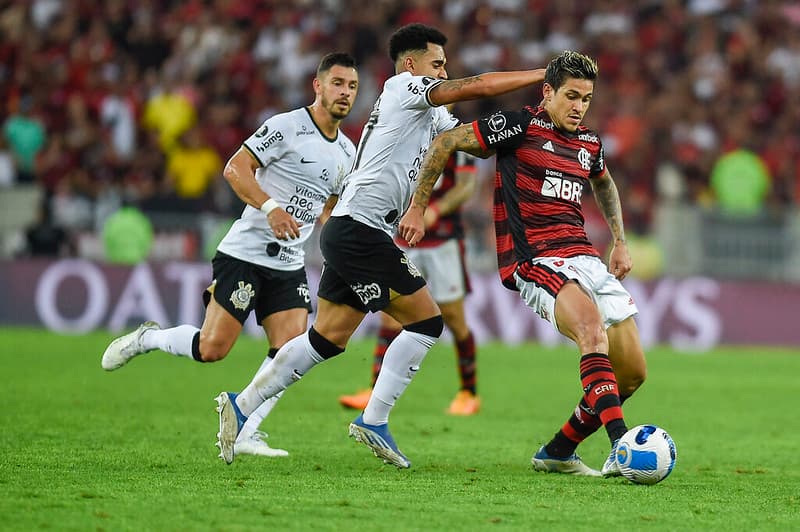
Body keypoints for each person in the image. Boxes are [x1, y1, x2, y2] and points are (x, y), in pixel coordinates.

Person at [214, 23, 546, 468]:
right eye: (438, 63)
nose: (445, 71)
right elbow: (478, 86)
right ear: (412, 65)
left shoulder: (430, 115)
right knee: (428, 321)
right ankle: (375, 420)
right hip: (359, 230)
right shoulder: (404, 88)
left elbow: (468, 142)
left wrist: (533, 119)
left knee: (326, 340)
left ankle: (239, 407)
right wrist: (544, 74)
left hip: (355, 231)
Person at [100, 52, 360, 458]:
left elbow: (327, 205)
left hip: (289, 262)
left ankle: (246, 429)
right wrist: (272, 208)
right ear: (318, 85)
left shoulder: (347, 150)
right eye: (338, 83)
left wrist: (342, 234)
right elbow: (235, 168)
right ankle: (148, 338)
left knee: (291, 351)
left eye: (352, 86)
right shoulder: (287, 126)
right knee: (213, 348)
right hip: (245, 253)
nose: (345, 93)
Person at [404, 50, 647, 477]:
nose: (578, 106)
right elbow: (446, 142)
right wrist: (417, 208)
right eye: (571, 96)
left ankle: (557, 452)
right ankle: (622, 446)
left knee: (631, 374)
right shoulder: (519, 126)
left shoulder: (589, 143)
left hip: (586, 257)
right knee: (591, 332)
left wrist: (620, 241)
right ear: (548, 91)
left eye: (586, 98)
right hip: (536, 259)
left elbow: (605, 184)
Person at [338, 151, 481, 415]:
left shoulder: (457, 139)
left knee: (453, 318)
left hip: (443, 242)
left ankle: (468, 393)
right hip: (405, 238)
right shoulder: (411, 133)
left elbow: (465, 187)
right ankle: (373, 388)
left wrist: (435, 209)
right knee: (390, 317)